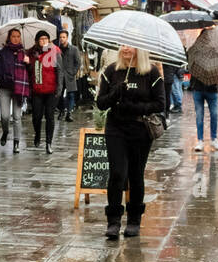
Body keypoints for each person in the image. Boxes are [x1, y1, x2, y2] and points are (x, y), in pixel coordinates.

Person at [95, 45, 166, 240]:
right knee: (117, 174)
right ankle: (113, 220)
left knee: (136, 174)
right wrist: (115, 94)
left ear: (140, 49)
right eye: (122, 45)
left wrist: (134, 107)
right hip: (116, 128)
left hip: (140, 130)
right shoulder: (112, 71)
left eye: (130, 45)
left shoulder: (151, 72)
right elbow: (101, 103)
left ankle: (134, 219)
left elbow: (160, 104)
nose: (125, 48)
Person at [0, 27, 30, 152]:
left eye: (18, 36)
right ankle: (5, 132)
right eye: (13, 36)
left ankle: (16, 143)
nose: (16, 38)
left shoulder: (24, 53)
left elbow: (30, 73)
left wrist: (28, 63)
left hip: (18, 89)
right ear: (9, 38)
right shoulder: (2, 53)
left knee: (17, 116)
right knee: (5, 116)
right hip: (4, 88)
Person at [28, 29, 63, 152]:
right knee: (36, 117)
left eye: (46, 39)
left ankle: (49, 143)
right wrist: (29, 62)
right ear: (37, 41)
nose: (44, 41)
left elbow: (59, 71)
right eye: (41, 39)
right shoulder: (32, 53)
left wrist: (59, 89)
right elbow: (28, 72)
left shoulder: (55, 52)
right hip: (37, 90)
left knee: (50, 116)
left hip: (51, 91)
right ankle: (37, 134)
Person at [189, 74, 218, 152]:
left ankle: (214, 139)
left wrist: (217, 83)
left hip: (211, 89)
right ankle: (200, 140)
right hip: (197, 88)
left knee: (214, 114)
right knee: (199, 115)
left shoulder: (214, 62)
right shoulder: (195, 63)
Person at [58, 29, 82, 121]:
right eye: (60, 37)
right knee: (59, 95)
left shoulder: (74, 49)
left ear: (67, 38)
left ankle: (69, 113)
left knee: (71, 95)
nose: (62, 39)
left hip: (70, 76)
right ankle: (61, 111)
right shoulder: (57, 49)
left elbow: (78, 62)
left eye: (64, 37)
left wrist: (73, 72)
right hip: (60, 76)